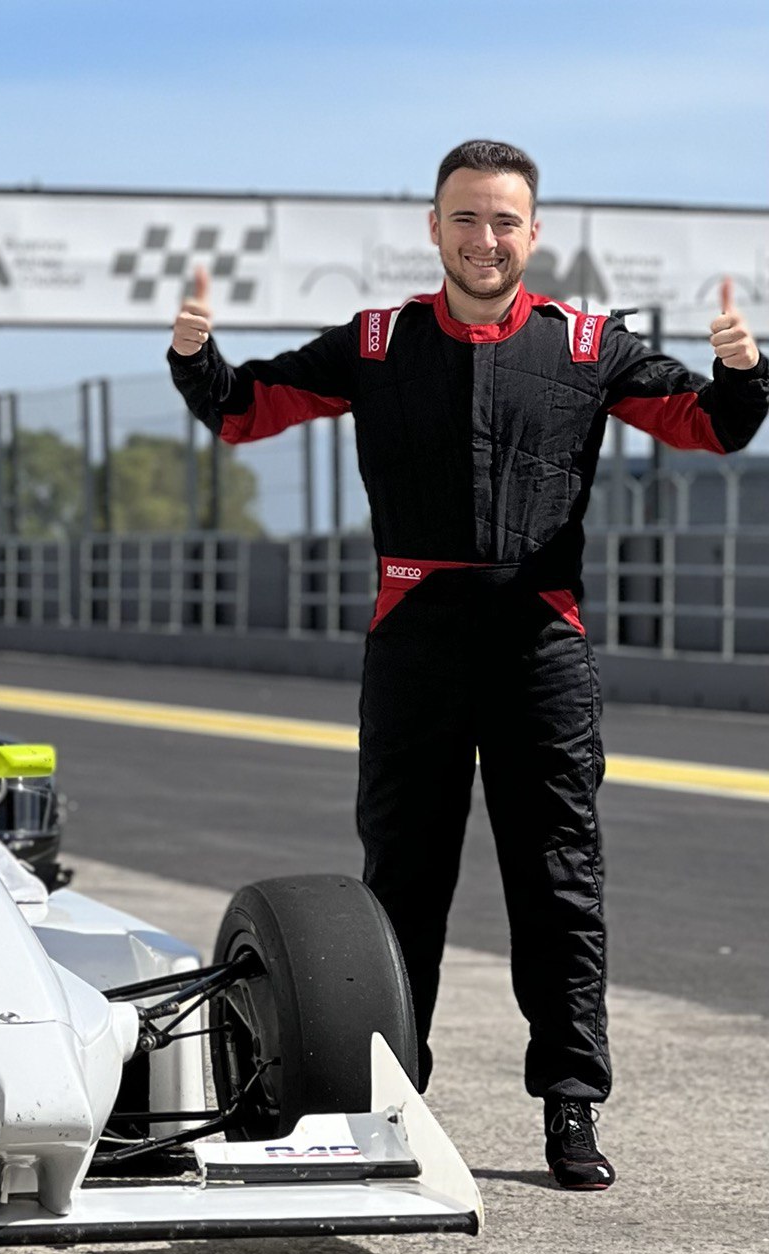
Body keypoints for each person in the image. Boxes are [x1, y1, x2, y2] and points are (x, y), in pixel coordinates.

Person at [167, 140, 768, 1191]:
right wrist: (195, 357)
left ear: (534, 234)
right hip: (416, 641)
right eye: (466, 219)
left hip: (540, 642)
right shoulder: (376, 340)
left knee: (560, 880)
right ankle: (389, 1100)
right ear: (434, 228)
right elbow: (247, 409)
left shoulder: (588, 344)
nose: (485, 239)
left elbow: (712, 429)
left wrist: (744, 373)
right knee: (402, 880)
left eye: (504, 221)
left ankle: (571, 1103)